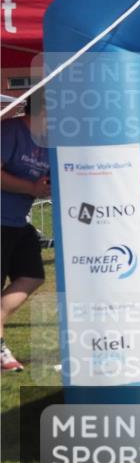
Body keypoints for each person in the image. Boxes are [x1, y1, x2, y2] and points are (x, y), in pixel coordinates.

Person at [1, 95, 49, 372]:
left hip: (18, 222)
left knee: (32, 275)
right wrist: (31, 188)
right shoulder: (10, 131)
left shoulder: (49, 142)